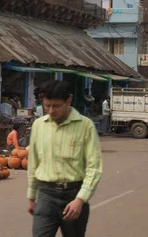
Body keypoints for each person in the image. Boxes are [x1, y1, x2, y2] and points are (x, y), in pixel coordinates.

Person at [27, 80, 102, 237]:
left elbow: (93, 167)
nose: (51, 111)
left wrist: (80, 200)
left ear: (68, 101)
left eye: (56, 106)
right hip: (46, 195)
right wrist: (31, 197)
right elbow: (34, 162)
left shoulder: (85, 126)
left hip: (73, 195)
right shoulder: (39, 125)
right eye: (47, 106)